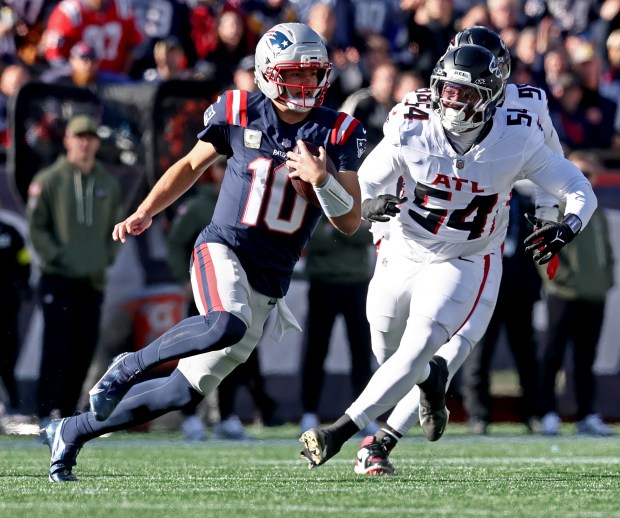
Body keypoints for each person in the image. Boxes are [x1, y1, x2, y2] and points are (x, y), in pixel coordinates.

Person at [40, 22, 366, 482]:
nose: (309, 84)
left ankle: (72, 432)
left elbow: (350, 220)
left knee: (181, 391)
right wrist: (146, 210)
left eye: (315, 74)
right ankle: (126, 366)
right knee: (223, 322)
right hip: (223, 247)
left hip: (269, 280)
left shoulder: (339, 130)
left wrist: (322, 180)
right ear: (270, 74)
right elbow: (191, 165)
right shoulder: (238, 110)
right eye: (299, 73)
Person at [299, 43, 597, 475]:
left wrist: (565, 225)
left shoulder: (518, 134)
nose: (452, 102)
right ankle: (429, 381)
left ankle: (342, 432)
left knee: (421, 344)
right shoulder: (411, 123)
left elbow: (577, 188)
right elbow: (362, 185)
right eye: (448, 90)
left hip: (466, 256)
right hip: (402, 247)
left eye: (467, 94)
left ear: (493, 95)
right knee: (389, 352)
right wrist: (368, 205)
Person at [27, 114, 123, 426]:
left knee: (83, 348)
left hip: (92, 279)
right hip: (59, 277)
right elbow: (37, 227)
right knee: (56, 345)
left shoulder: (107, 183)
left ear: (97, 142)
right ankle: (45, 411)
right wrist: (56, 256)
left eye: (90, 136)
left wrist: (105, 257)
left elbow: (115, 226)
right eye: (79, 136)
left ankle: (67, 412)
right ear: (67, 139)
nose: (85, 142)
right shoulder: (49, 180)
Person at [537, 151, 615, 437]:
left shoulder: (597, 213)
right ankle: (546, 412)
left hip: (594, 295)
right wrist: (560, 281)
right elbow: (542, 252)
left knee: (586, 358)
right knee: (553, 355)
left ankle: (586, 414)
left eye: (590, 174)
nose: (586, 180)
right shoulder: (556, 209)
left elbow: (606, 253)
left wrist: (605, 281)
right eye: (579, 173)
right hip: (564, 293)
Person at [298, 216, 375, 434]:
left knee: (361, 350)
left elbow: (367, 235)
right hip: (323, 283)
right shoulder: (315, 199)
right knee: (316, 349)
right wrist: (347, 229)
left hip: (357, 283)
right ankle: (309, 412)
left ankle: (363, 411)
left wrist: (334, 230)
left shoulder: (356, 197)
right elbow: (312, 240)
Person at [0, 208, 31, 415]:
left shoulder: (9, 232)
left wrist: (21, 286)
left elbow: (24, 261)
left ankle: (13, 405)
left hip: (6, 305)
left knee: (7, 356)